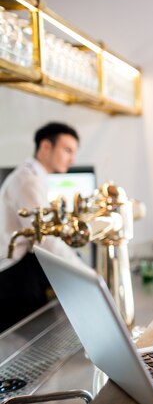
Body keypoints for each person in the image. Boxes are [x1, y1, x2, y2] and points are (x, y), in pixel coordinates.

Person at [0, 122, 83, 332]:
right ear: (46, 147)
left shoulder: (34, 177)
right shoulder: (27, 181)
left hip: (21, 271)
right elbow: (45, 238)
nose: (72, 159)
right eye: (67, 150)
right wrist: (86, 274)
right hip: (14, 276)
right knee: (32, 345)